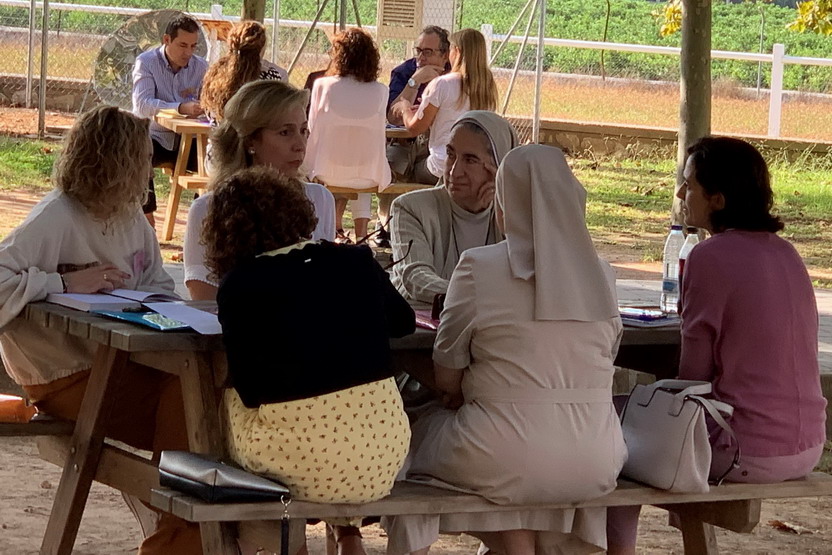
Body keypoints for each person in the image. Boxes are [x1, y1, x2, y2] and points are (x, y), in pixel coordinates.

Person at [383, 145, 627, 555]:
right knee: (515, 460)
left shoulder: (478, 267)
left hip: (499, 452)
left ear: (504, 204)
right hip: (598, 457)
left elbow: (446, 377)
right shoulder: (603, 273)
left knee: (409, 439)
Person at [606, 137, 827, 555]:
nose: (680, 194)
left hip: (745, 449)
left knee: (610, 424)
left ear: (718, 200)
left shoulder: (709, 256)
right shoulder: (788, 254)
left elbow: (693, 377)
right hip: (808, 445)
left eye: (689, 185)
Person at [0, 105, 200, 554]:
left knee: (200, 394)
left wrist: (151, 303)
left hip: (123, 362)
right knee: (187, 402)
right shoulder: (58, 214)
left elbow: (157, 283)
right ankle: (176, 533)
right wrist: (63, 283)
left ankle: (180, 526)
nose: (150, 169)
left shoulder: (130, 216)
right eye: (143, 158)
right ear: (119, 161)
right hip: (64, 373)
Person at [203, 167, 415, 555]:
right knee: (338, 414)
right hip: (381, 459)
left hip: (299, 464)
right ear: (298, 214)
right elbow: (403, 322)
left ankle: (268, 544)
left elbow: (250, 389)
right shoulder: (355, 261)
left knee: (225, 404)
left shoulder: (241, 286)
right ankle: (347, 533)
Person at [183, 80, 335, 301]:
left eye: (304, 131)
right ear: (250, 141)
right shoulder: (207, 208)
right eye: (285, 132)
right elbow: (204, 299)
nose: (300, 145)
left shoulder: (320, 199)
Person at [390, 111, 517, 305]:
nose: (454, 172)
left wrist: (506, 221)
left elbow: (532, 277)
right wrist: (484, 298)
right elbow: (416, 278)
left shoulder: (513, 216)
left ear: (498, 167)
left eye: (470, 160)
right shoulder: (411, 208)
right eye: (450, 154)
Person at [304, 27, 390, 242]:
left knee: (351, 162)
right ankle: (362, 236)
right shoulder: (381, 90)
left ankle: (333, 231)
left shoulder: (322, 85)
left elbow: (312, 126)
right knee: (361, 163)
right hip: (369, 172)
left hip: (327, 169)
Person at [132, 14, 208, 229]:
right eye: (183, 45)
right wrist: (180, 108)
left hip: (191, 141)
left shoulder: (202, 67)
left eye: (193, 46)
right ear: (166, 40)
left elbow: (210, 105)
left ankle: (200, 222)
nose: (188, 52)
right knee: (137, 152)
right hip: (156, 137)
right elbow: (142, 104)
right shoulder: (146, 62)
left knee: (217, 161)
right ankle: (147, 221)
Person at [399, 28, 498, 185]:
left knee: (408, 169)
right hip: (474, 169)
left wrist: (405, 108)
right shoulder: (488, 87)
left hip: (441, 167)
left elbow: (414, 128)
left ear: (457, 51)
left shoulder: (442, 84)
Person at [200, 20, 288, 123]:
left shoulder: (215, 73)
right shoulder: (272, 77)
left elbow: (210, 112)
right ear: (261, 48)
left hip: (219, 132)